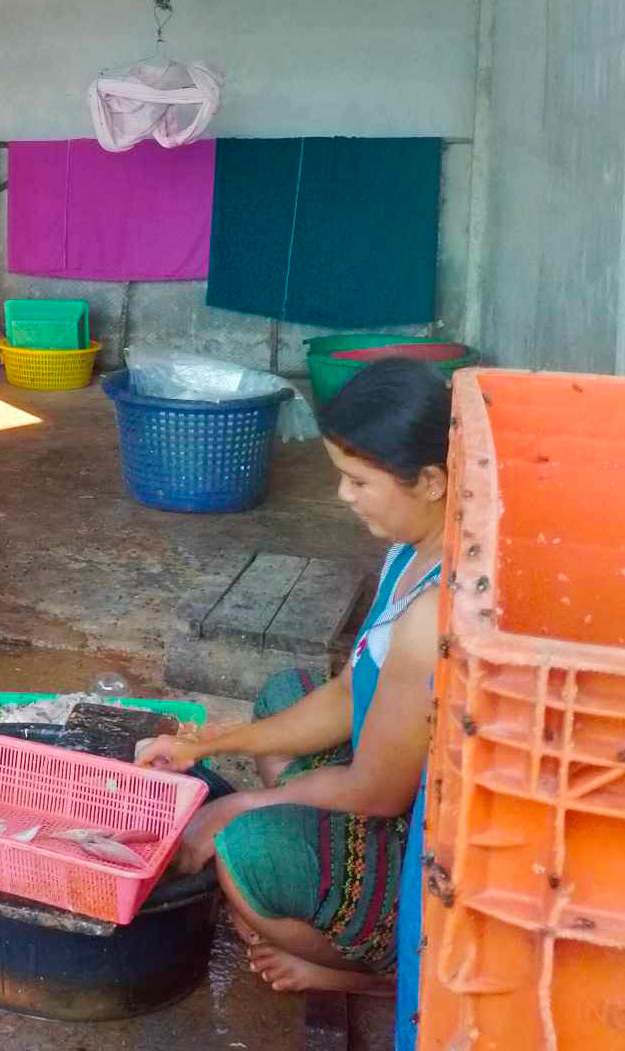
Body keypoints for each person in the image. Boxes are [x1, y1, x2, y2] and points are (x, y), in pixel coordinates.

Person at [135, 359, 449, 997]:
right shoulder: (413, 548)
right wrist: (207, 745)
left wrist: (230, 808)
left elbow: (378, 794)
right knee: (288, 694)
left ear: (433, 481)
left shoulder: (434, 613)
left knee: (243, 853)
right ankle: (298, 835)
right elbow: (347, 691)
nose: (343, 495)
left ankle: (376, 977)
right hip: (398, 776)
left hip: (426, 843)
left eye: (359, 481)